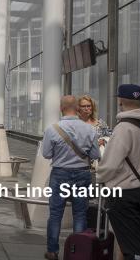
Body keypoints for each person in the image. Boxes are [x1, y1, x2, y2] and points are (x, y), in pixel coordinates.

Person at [41, 95, 100, 260]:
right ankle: (78, 251)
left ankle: (52, 251)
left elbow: (46, 154)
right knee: (80, 214)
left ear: (61, 108)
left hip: (60, 174)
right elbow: (95, 155)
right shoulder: (89, 129)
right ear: (78, 109)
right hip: (82, 174)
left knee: (55, 214)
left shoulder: (52, 129)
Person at [97, 84, 140, 260]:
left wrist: (99, 177)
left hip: (123, 193)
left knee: (130, 247)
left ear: (120, 101)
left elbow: (110, 165)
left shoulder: (124, 128)